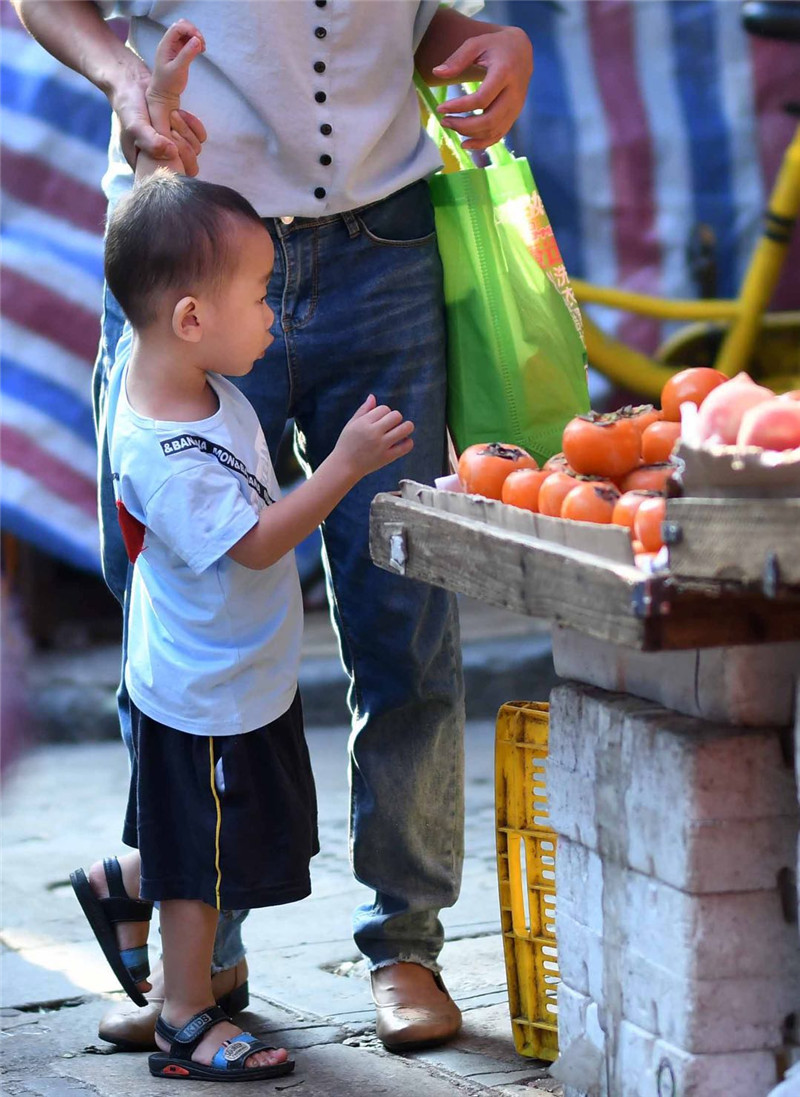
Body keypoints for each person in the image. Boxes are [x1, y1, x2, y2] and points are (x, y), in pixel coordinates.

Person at [12, 0, 533, 1054]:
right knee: (172, 627)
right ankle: (202, 959)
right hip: (182, 251)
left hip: (385, 243)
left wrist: (484, 41)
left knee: (406, 620)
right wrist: (123, 77)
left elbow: (420, 17)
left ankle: (405, 943)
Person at [69, 21, 416, 1082]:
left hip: (233, 683)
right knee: (206, 865)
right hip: (203, 695)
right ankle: (184, 1012)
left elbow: (149, 235)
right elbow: (264, 542)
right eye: (259, 296)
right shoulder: (167, 448)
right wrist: (344, 463)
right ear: (189, 316)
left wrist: (158, 138)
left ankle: (124, 873)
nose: (275, 311)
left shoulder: (163, 363)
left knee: (222, 844)